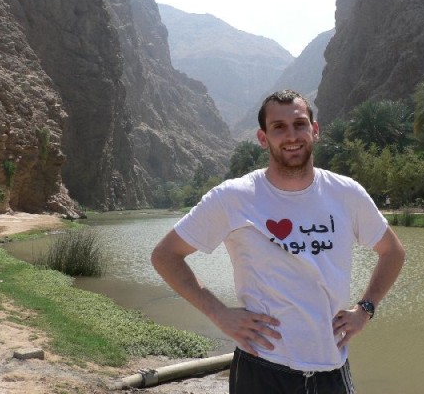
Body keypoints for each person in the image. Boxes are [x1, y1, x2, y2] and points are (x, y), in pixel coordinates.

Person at [151, 89, 406, 394]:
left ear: (315, 130)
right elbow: (165, 255)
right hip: (261, 370)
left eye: (299, 124)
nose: (291, 135)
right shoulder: (233, 197)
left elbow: (393, 252)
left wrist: (365, 308)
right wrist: (219, 313)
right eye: (279, 127)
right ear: (263, 138)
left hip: (332, 370)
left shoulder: (347, 194)